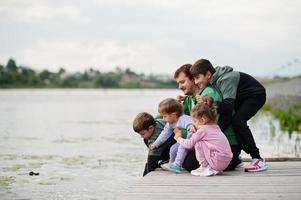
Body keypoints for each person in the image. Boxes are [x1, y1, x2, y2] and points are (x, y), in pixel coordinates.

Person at [190, 58, 267, 172]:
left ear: (208, 74)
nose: (196, 82)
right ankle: (234, 157)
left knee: (238, 121)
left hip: (255, 96)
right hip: (241, 98)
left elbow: (228, 106)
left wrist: (209, 102)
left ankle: (257, 158)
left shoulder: (226, 79)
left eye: (197, 78)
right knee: (228, 120)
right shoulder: (214, 81)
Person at [174, 64, 242, 171]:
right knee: (173, 143)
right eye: (178, 83)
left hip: (226, 144)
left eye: (182, 82)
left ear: (193, 79)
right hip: (209, 142)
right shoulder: (190, 99)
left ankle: (233, 160)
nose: (179, 87)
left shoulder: (208, 95)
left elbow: (216, 123)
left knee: (188, 163)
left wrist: (184, 134)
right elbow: (178, 117)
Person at [174, 96, 233, 176]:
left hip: (217, 161)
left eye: (195, 121)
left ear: (202, 120)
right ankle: (213, 168)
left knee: (198, 142)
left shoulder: (203, 130)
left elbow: (189, 144)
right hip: (225, 162)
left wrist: (178, 138)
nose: (194, 124)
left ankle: (204, 167)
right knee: (203, 142)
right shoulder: (215, 126)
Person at [151, 98, 194, 173]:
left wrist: (186, 140)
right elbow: (164, 133)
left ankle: (177, 165)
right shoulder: (170, 123)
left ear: (174, 115)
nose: (163, 119)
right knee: (173, 148)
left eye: (165, 116)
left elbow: (192, 128)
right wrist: (156, 144)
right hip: (183, 141)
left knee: (182, 147)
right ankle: (172, 163)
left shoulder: (184, 119)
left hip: (194, 141)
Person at [132, 112, 175, 176]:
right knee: (146, 139)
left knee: (152, 156)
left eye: (143, 133)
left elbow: (152, 159)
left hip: (177, 149)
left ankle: (168, 160)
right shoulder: (157, 122)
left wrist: (146, 176)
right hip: (170, 147)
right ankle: (164, 160)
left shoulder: (156, 135)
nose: (141, 136)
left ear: (151, 128)